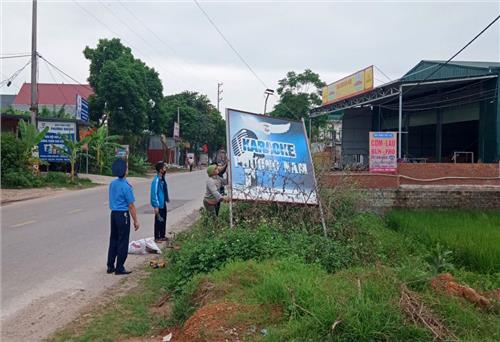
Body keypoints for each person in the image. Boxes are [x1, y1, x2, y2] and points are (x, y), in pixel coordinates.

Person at [107, 159, 140, 275]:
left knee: (114, 239)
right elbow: (131, 205)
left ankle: (110, 265)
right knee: (123, 240)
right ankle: (120, 267)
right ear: (125, 171)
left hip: (114, 214)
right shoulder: (126, 186)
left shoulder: (112, 184)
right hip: (123, 214)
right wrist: (136, 220)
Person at [151, 161, 170, 242]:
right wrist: (155, 205)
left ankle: (162, 235)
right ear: (160, 169)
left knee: (163, 219)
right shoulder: (156, 180)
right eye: (164, 168)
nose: (165, 169)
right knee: (158, 220)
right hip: (158, 204)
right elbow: (154, 193)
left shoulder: (162, 179)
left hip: (163, 203)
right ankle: (157, 237)